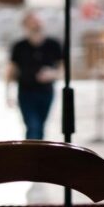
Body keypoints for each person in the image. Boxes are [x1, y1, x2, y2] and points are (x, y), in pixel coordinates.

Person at [6, 12, 63, 140]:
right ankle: (31, 156)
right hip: (26, 92)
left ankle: (38, 156)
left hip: (46, 92)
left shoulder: (53, 44)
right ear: (25, 25)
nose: (36, 23)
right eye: (32, 21)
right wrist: (8, 93)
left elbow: (62, 68)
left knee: (41, 127)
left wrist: (52, 74)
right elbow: (11, 70)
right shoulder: (19, 46)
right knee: (32, 127)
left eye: (38, 20)